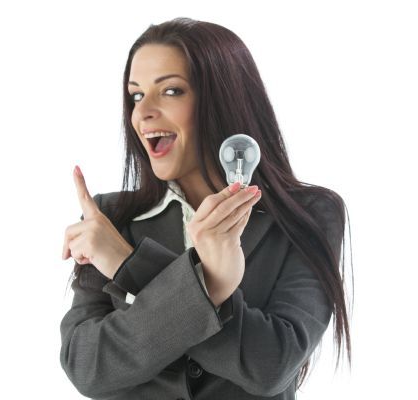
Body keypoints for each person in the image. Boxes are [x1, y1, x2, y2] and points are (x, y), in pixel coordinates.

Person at [60, 17, 352, 400]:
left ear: (224, 99)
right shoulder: (109, 219)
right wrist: (209, 287)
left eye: (171, 91)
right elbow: (89, 367)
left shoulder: (311, 214)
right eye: (135, 95)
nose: (142, 112)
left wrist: (128, 266)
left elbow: (272, 365)